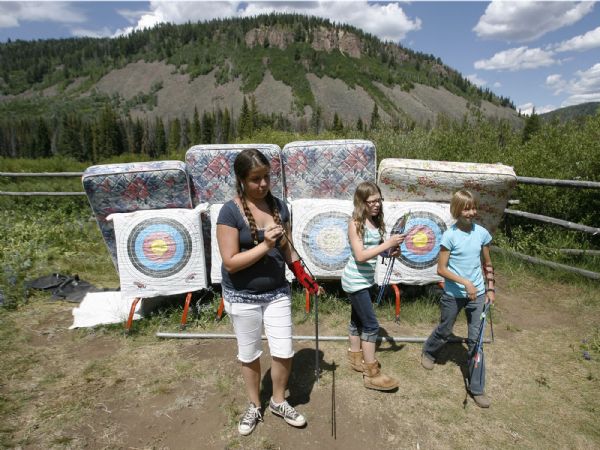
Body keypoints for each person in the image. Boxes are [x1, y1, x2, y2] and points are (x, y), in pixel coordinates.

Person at [216, 148, 320, 436]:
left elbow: (287, 249)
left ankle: (277, 401)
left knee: (284, 350)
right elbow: (231, 262)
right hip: (241, 295)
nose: (262, 184)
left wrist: (304, 276)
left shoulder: (280, 207)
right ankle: (253, 405)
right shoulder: (229, 212)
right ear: (241, 180)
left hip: (276, 292)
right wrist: (265, 245)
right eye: (255, 179)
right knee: (249, 354)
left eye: (266, 177)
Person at [421, 189, 496, 408]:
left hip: (479, 295)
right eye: (466, 208)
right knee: (445, 330)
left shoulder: (482, 233)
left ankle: (476, 388)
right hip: (454, 295)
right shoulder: (449, 236)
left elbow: (488, 263)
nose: (471, 212)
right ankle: (429, 351)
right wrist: (465, 283)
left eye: (473, 207)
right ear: (457, 210)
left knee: (476, 340)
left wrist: (490, 289)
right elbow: (441, 269)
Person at [341, 181, 404, 391]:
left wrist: (389, 251)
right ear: (362, 202)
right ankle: (371, 373)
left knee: (357, 320)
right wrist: (387, 244)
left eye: (379, 200)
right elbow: (360, 255)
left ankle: (355, 357)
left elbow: (373, 250)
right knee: (371, 325)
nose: (377, 205)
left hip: (365, 280)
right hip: (354, 280)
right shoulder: (355, 223)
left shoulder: (374, 222)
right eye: (372, 201)